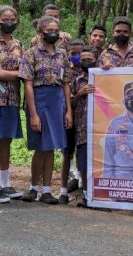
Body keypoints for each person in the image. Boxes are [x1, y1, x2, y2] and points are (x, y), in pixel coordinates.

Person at [19, 16, 73, 204]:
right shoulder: (31, 54)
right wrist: (33, 113)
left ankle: (48, 190)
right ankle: (33, 188)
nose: (54, 33)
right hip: (38, 100)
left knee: (51, 147)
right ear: (40, 32)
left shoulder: (62, 55)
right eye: (49, 30)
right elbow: (27, 84)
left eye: (56, 30)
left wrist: (68, 111)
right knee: (40, 147)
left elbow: (66, 83)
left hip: (57, 101)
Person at [0, 5, 25, 203]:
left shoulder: (18, 44)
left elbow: (23, 68)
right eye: (5, 19)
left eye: (12, 19)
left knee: (7, 139)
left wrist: (14, 74)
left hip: (13, 97)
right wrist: (19, 73)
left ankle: (5, 183)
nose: (9, 22)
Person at [59, 38, 86, 203]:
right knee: (67, 154)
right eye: (73, 54)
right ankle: (62, 190)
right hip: (69, 117)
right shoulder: (65, 72)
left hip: (85, 120)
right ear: (67, 54)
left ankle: (83, 187)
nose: (77, 56)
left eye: (80, 53)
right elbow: (69, 100)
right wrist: (80, 94)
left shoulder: (90, 71)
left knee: (83, 154)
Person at [71, 46, 97, 206]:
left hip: (102, 128)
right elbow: (71, 104)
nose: (86, 62)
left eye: (90, 59)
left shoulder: (106, 78)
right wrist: (80, 94)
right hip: (82, 127)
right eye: (83, 60)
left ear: (96, 60)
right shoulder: (76, 80)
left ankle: (101, 197)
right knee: (84, 163)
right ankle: (87, 196)